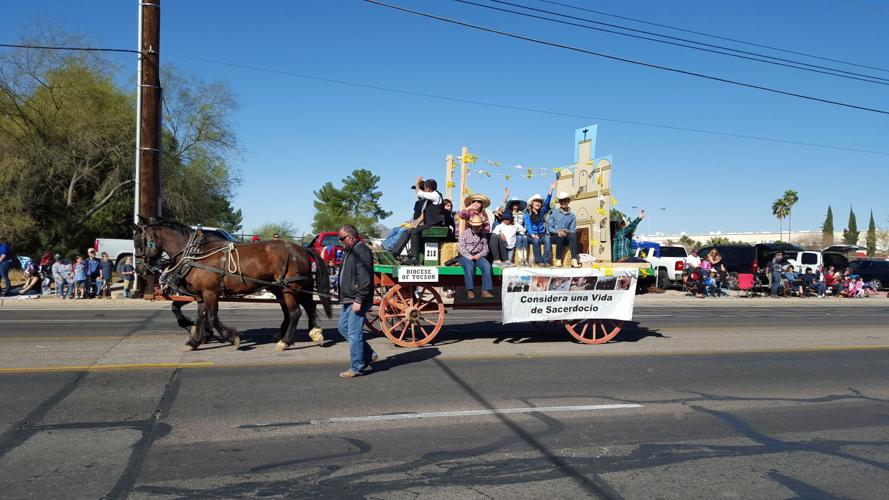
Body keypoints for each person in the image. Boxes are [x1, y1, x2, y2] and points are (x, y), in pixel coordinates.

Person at [336, 224, 380, 379]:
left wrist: (359, 299)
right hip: (349, 298)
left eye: (341, 238)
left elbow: (365, 278)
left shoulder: (362, 251)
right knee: (343, 328)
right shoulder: (350, 251)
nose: (340, 241)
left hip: (357, 299)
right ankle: (369, 354)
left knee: (354, 334)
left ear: (350, 237)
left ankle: (357, 366)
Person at [394, 177, 445, 264]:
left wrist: (417, 183)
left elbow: (419, 193)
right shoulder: (430, 199)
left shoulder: (435, 195)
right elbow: (423, 215)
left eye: (424, 188)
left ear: (428, 189)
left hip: (435, 224)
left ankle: (415, 257)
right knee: (409, 230)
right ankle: (395, 252)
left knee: (415, 231)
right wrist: (415, 223)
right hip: (430, 224)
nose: (424, 190)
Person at [459, 214, 494, 299]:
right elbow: (461, 248)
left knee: (487, 266)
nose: (477, 228)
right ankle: (470, 290)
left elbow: (486, 249)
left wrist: (478, 255)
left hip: (478, 256)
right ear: (471, 225)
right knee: (469, 266)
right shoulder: (464, 234)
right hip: (465, 256)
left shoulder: (483, 234)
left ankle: (486, 290)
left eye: (478, 226)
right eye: (475, 226)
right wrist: (469, 256)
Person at [525, 181, 557, 266]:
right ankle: (538, 261)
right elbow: (528, 226)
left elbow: (546, 203)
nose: (538, 203)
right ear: (532, 203)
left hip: (541, 235)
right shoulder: (527, 214)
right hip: (531, 236)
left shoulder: (541, 212)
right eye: (536, 201)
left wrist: (550, 190)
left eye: (539, 202)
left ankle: (545, 261)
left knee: (547, 239)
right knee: (535, 240)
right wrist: (532, 234)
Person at [548, 191, 581, 268]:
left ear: (568, 201)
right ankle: (558, 259)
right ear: (559, 202)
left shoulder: (572, 216)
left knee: (573, 234)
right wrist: (557, 231)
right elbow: (549, 227)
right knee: (561, 235)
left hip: (566, 236)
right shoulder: (554, 213)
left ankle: (573, 259)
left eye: (565, 200)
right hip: (555, 237)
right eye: (561, 200)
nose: (563, 202)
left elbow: (573, 229)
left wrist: (567, 231)